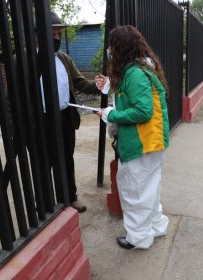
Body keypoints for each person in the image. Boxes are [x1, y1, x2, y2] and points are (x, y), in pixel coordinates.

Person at [96, 25, 170, 250]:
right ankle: (156, 227)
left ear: (119, 48)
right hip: (150, 141)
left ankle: (138, 238)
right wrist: (109, 88)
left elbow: (142, 110)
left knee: (135, 192)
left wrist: (111, 114)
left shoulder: (135, 72)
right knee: (149, 189)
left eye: (111, 45)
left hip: (142, 142)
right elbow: (130, 97)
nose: (109, 50)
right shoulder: (139, 69)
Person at [36, 11, 98, 213]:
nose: (56, 39)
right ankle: (44, 204)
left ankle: (69, 197)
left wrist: (99, 85)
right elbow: (13, 98)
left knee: (66, 159)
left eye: (58, 35)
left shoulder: (64, 59)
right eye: (52, 34)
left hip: (64, 118)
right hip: (40, 121)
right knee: (43, 164)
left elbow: (80, 83)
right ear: (38, 35)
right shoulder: (24, 60)